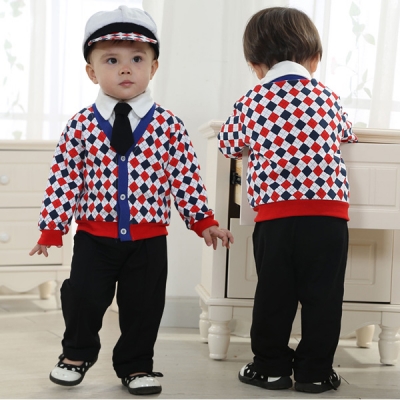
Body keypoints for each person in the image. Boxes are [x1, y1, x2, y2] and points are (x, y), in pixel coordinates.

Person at [29, 5, 233, 396]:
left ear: (153, 68)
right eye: (112, 60)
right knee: (84, 297)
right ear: (91, 72)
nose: (126, 69)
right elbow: (65, 179)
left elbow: (185, 177)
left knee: (143, 307)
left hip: (149, 241)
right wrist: (52, 227)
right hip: (94, 237)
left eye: (137, 59)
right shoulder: (80, 125)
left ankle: (137, 365)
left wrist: (202, 220)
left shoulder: (168, 126)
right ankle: (76, 354)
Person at [218, 7, 357, 394]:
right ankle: (315, 372)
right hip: (328, 217)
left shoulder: (251, 100)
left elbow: (228, 145)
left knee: (274, 296)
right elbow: (348, 134)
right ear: (315, 59)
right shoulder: (328, 97)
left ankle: (270, 368)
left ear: (255, 65)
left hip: (276, 218)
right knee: (323, 297)